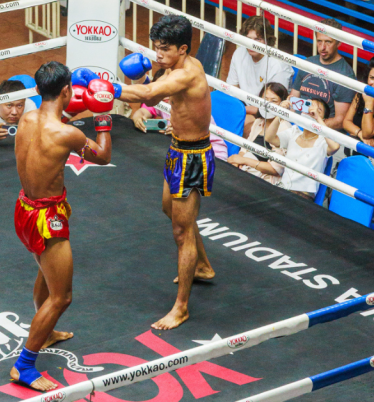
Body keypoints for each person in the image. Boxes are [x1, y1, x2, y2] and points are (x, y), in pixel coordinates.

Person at [11, 61, 113, 391]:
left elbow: (51, 130)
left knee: (46, 269)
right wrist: (103, 116)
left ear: (38, 90)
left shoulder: (26, 118)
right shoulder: (68, 133)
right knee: (63, 297)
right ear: (67, 90)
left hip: (24, 208)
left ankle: (47, 331)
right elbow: (103, 156)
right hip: (47, 218)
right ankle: (24, 366)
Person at [117, 15, 216, 330]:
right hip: (177, 149)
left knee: (181, 232)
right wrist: (148, 77)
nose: (156, 54)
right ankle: (202, 266)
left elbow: (147, 96)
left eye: (163, 49)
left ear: (183, 48)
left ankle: (182, 307)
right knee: (168, 209)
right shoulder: (173, 67)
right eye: (155, 48)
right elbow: (155, 94)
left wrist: (103, 86)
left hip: (194, 156)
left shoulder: (187, 74)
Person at [131, 69, 228, 160]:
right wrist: (138, 117)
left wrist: (180, 131)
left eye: (167, 91)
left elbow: (194, 136)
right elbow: (143, 111)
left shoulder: (192, 106)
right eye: (160, 92)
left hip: (213, 153)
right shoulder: (162, 103)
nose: (164, 95)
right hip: (188, 152)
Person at [226, 15, 292, 136]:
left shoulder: (278, 65)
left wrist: (244, 110)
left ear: (267, 41)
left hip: (268, 115)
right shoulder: (239, 52)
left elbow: (274, 107)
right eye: (249, 38)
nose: (252, 44)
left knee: (243, 125)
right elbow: (232, 88)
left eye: (258, 40)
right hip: (244, 107)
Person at [265, 98, 340, 199]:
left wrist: (318, 119)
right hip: (282, 189)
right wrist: (280, 113)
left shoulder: (324, 142)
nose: (311, 111)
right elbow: (269, 138)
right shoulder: (293, 132)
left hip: (303, 197)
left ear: (324, 120)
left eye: (319, 110)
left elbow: (335, 147)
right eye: (309, 105)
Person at [290, 18, 355, 131]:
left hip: (322, 132)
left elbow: (340, 121)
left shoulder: (345, 74)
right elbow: (293, 99)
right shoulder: (308, 63)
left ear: (339, 42)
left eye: (328, 42)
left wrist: (309, 127)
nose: (322, 47)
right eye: (319, 41)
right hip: (296, 125)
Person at [227, 82, 291, 185]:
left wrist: (244, 161)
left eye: (274, 101)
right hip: (245, 172)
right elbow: (244, 149)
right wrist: (237, 162)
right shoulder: (259, 121)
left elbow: (275, 169)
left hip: (262, 181)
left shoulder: (285, 127)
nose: (268, 105)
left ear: (282, 103)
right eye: (265, 99)